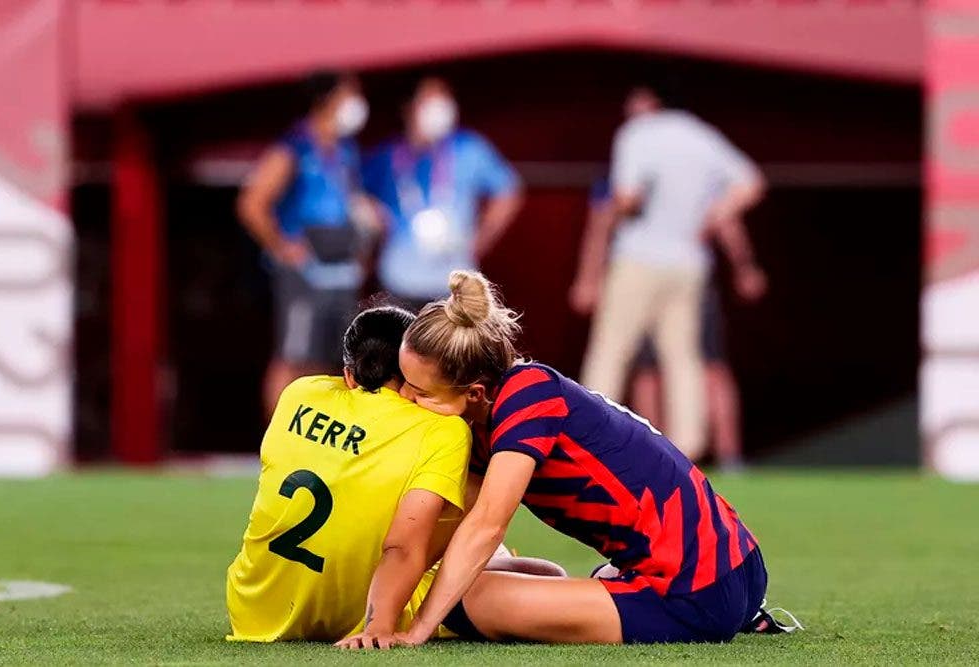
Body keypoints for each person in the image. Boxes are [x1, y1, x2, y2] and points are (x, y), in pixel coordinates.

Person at [369, 270, 786, 647]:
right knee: (462, 576)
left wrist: (417, 630)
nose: (405, 397)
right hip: (734, 564)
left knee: (463, 600)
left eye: (419, 392)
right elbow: (450, 525)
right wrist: (379, 607)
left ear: (474, 393)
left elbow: (485, 527)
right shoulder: (493, 413)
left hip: (695, 589)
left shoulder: (527, 397)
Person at [226, 306, 471, 643]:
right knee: (475, 517)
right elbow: (403, 546)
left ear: (349, 374)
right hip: (361, 613)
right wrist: (378, 628)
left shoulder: (299, 393)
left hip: (253, 609)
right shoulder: (442, 430)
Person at [574, 86, 765, 460]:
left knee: (612, 349)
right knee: (683, 357)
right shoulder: (702, 136)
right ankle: (688, 444)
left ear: (652, 103)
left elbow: (627, 196)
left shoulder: (636, 134)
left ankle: (588, 436)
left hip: (639, 257)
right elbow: (751, 183)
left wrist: (621, 210)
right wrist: (712, 217)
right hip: (689, 263)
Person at [238, 71, 377, 416]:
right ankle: (276, 443)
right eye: (350, 96)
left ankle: (316, 443)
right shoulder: (294, 146)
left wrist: (362, 244)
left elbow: (349, 204)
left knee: (336, 360)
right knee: (294, 356)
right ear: (326, 99)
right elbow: (252, 203)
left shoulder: (346, 150)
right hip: (305, 271)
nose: (357, 105)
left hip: (341, 268)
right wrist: (281, 246)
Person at [363, 77, 523, 310]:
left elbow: (509, 190)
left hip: (454, 284)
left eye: (444, 98)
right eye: (429, 100)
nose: (439, 107)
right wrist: (375, 222)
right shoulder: (387, 155)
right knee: (400, 345)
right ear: (409, 108)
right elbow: (353, 192)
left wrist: (482, 238)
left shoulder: (469, 148)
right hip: (399, 280)